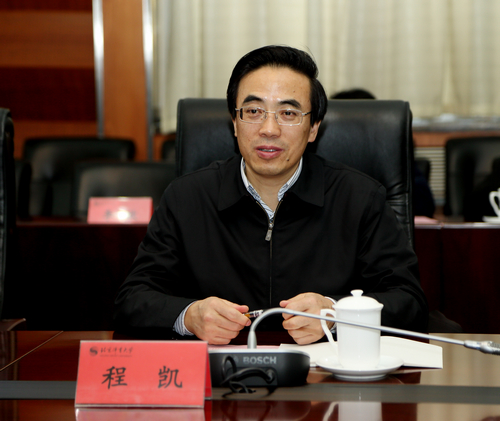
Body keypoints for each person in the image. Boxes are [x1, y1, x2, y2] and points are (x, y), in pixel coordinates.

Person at [114, 45, 428, 344]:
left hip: (324, 377)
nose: (269, 129)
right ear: (234, 122)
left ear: (313, 128)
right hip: (222, 374)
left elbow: (409, 301)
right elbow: (132, 299)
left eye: (288, 113)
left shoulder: (359, 198)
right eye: (253, 111)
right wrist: (189, 315)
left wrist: (336, 314)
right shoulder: (187, 198)